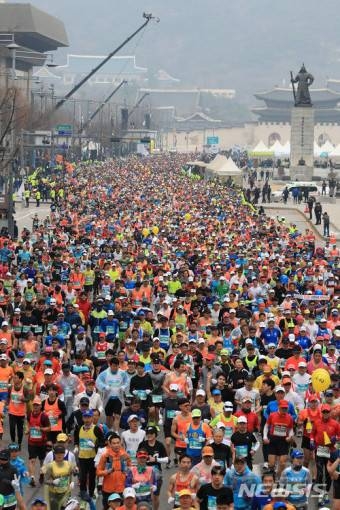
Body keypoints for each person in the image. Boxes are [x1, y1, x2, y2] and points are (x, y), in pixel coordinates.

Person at [74, 408, 105, 499]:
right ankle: (83, 493)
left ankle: (91, 494)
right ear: (83, 418)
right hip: (82, 457)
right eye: (85, 417)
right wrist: (76, 446)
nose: (87, 420)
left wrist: (95, 445)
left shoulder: (96, 429)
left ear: (92, 418)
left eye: (89, 417)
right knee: (82, 477)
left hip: (92, 458)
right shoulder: (79, 428)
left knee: (92, 478)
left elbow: (103, 442)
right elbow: (76, 439)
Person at [43, 445, 75, 510]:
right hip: (54, 495)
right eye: (57, 453)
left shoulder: (68, 464)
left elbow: (72, 474)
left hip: (65, 493)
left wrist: (72, 481)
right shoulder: (50, 466)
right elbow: (45, 480)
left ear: (64, 454)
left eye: (61, 453)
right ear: (54, 454)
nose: (59, 455)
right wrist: (53, 482)